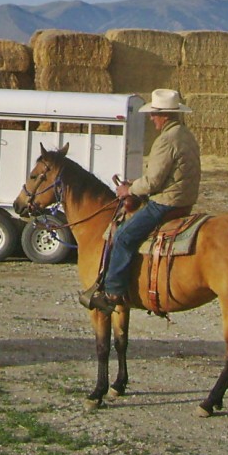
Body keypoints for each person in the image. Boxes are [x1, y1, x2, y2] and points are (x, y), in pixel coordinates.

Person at [88, 88, 201, 314]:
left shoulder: (166, 140)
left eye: (154, 114)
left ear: (165, 115)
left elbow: (154, 182)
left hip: (166, 202)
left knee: (122, 236)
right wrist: (137, 185)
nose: (151, 118)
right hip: (184, 200)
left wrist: (128, 190)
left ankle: (113, 292)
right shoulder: (185, 134)